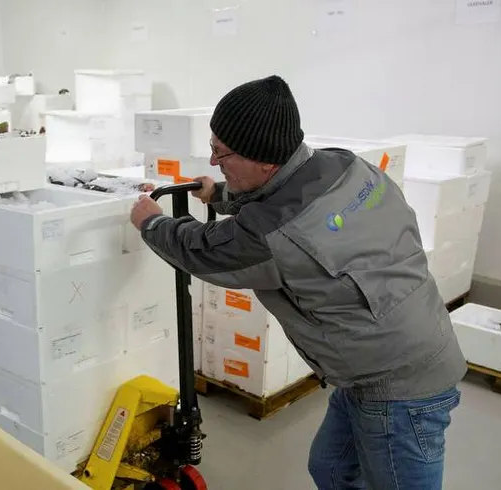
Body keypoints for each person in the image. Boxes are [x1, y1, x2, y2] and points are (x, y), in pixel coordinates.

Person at [129, 75, 466, 490]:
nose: (213, 161)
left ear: (265, 159)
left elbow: (204, 250)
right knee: (330, 468)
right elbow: (287, 201)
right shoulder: (342, 165)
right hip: (384, 355)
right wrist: (219, 195)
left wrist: (152, 222)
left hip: (399, 387)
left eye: (221, 152)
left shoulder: (270, 235)